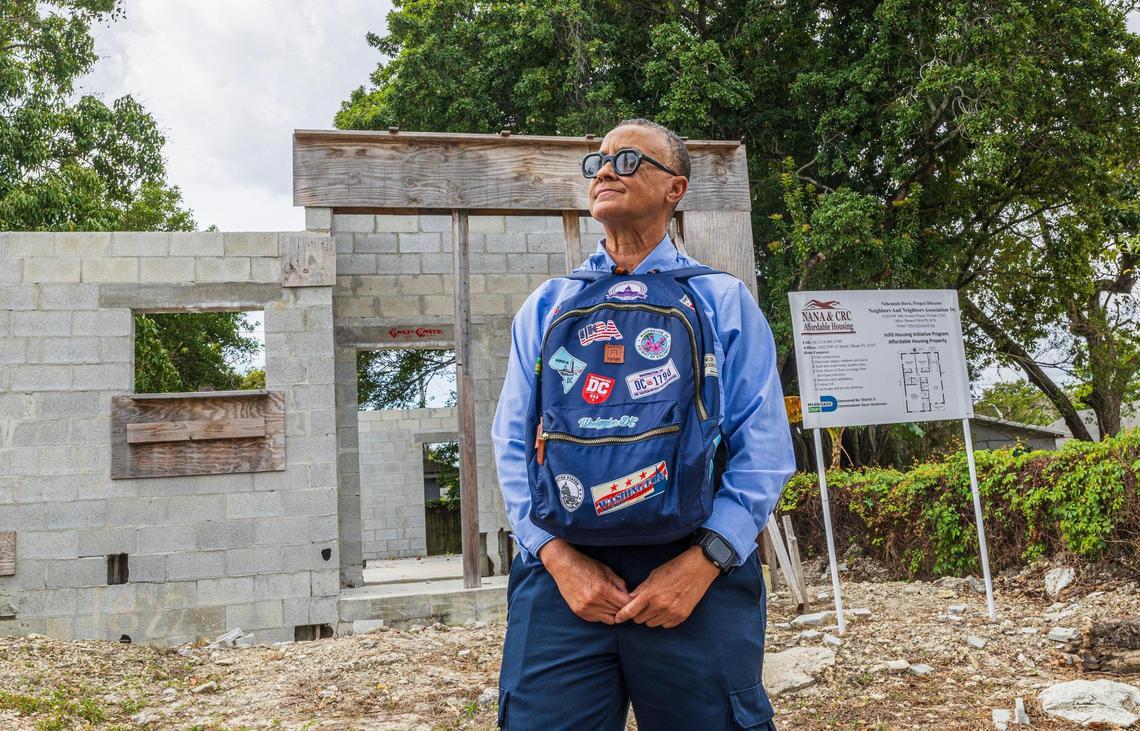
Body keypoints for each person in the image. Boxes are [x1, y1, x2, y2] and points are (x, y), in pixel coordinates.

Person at [491, 118, 795, 730]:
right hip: (563, 577)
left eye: (628, 160)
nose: (605, 170)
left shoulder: (721, 300)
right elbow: (512, 442)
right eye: (598, 162)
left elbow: (762, 449)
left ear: (675, 188)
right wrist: (557, 559)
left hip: (694, 571)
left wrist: (705, 562)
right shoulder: (549, 303)